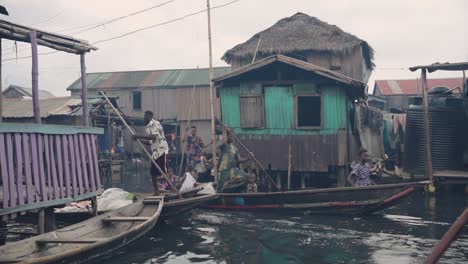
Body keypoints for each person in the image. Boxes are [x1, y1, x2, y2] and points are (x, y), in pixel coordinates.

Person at [132, 111, 169, 195]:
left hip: (161, 150)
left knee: (164, 172)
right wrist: (139, 140)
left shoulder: (155, 123)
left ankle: (172, 188)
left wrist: (138, 135)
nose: (143, 119)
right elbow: (150, 141)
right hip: (155, 152)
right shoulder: (148, 127)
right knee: (153, 173)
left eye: (144, 117)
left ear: (149, 117)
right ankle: (156, 191)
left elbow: (154, 136)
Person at [217, 126, 251, 192]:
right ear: (227, 137)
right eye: (231, 136)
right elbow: (224, 142)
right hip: (224, 171)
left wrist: (248, 158)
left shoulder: (234, 148)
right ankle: (223, 191)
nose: (233, 137)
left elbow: (238, 160)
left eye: (233, 136)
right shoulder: (224, 146)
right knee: (219, 190)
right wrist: (224, 131)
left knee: (247, 176)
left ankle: (230, 187)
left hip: (233, 171)